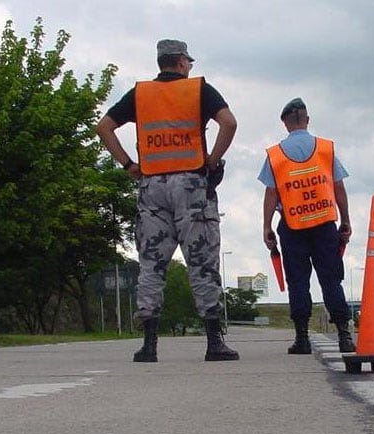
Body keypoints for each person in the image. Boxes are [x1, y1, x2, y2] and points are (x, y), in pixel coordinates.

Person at [96, 39, 239, 362]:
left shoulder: (140, 94)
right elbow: (229, 123)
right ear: (179, 62)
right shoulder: (200, 90)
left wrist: (129, 165)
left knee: (151, 264)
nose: (190, 67)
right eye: (188, 62)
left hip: (152, 186)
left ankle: (149, 345)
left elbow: (104, 127)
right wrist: (212, 161)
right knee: (202, 261)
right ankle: (214, 342)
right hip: (191, 184)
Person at [258, 97, 355, 354]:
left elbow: (271, 194)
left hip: (292, 226)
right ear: (307, 120)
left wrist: (267, 227)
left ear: (285, 123)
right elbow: (338, 187)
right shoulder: (325, 149)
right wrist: (345, 220)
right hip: (324, 225)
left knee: (298, 282)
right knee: (331, 279)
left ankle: (302, 339)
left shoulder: (275, 155)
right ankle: (344, 335)